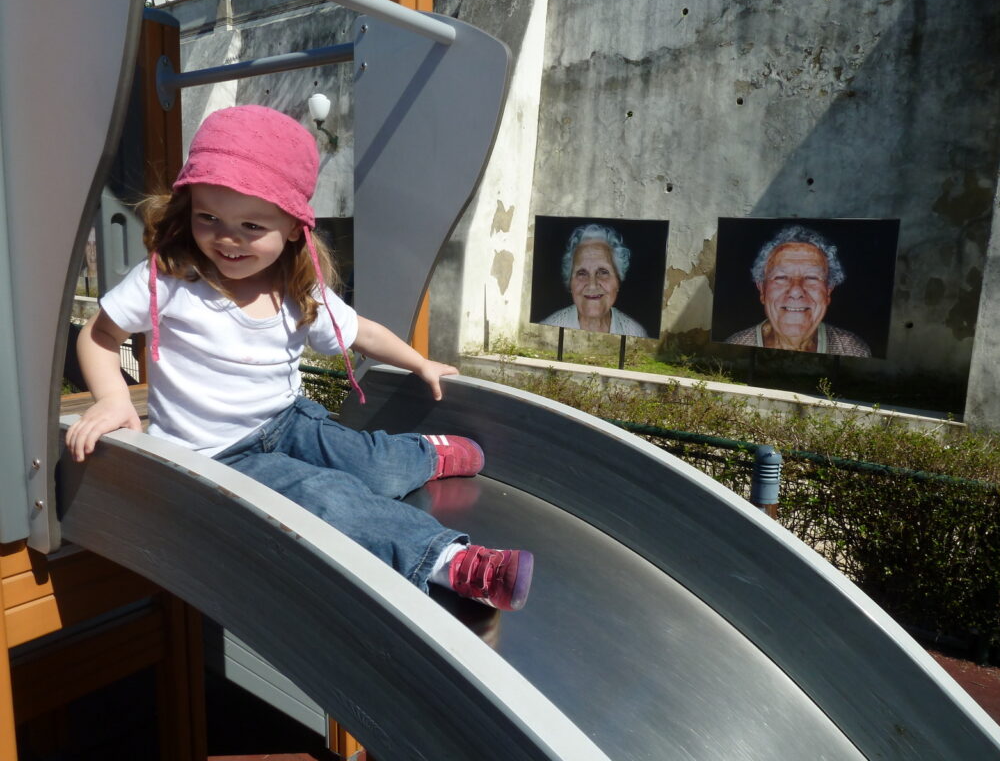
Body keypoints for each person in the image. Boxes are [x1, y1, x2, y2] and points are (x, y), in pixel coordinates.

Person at [64, 105, 533, 612]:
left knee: (373, 468)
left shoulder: (296, 291)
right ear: (189, 208)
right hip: (219, 456)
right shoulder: (173, 277)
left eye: (251, 225)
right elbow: (99, 334)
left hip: (287, 422)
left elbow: (363, 332)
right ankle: (452, 561)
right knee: (326, 498)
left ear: (292, 228)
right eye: (208, 218)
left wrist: (419, 363)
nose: (227, 238)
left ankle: (423, 454)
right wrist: (113, 399)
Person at [724, 225, 871, 357]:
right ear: (762, 289)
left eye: (812, 277)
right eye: (781, 277)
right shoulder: (736, 344)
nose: (796, 291)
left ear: (828, 291)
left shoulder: (852, 349)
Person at [539, 223, 649, 337]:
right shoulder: (547, 328)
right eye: (582, 273)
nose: (592, 285)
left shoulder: (636, 333)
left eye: (603, 272)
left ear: (618, 281)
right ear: (570, 283)